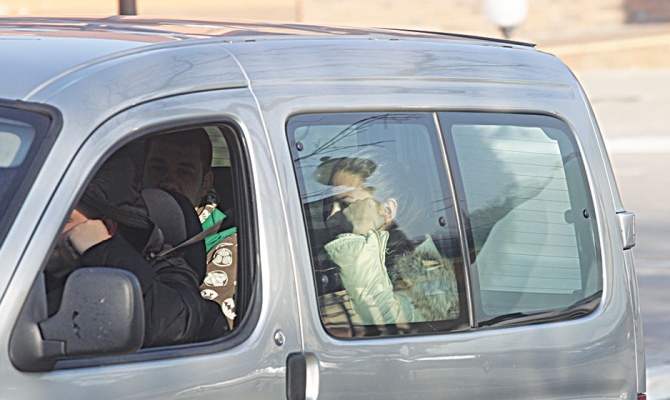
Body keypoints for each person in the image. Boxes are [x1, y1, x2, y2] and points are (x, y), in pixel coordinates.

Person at [45, 144, 226, 348]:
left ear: (105, 227)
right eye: (158, 168)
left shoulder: (164, 270)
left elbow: (173, 326)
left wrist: (103, 249)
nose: (45, 231)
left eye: (63, 221)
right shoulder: (31, 257)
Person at [321, 149, 460, 326]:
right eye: (329, 205)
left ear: (386, 210)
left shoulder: (420, 271)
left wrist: (361, 235)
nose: (330, 216)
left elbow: (385, 320)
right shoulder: (331, 253)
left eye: (345, 204)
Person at [142, 129, 238, 327]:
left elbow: (199, 331)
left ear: (205, 184)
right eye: (158, 168)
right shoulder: (118, 224)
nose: (168, 182)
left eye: (184, 172)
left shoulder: (223, 247)